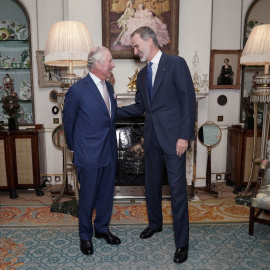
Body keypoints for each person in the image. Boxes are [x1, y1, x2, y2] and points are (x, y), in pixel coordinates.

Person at [117, 27, 196, 264]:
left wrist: (184, 136)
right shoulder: (142, 75)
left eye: (136, 45)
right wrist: (110, 112)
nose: (134, 50)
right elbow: (140, 107)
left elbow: (188, 101)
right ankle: (155, 224)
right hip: (150, 138)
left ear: (150, 41)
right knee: (150, 185)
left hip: (174, 139)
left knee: (177, 192)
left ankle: (182, 244)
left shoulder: (176, 64)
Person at [62, 46, 121, 256]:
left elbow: (109, 120)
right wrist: (73, 148)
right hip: (87, 154)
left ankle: (102, 229)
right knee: (87, 198)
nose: (113, 65)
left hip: (109, 152)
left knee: (106, 196)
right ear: (97, 64)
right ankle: (85, 236)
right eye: (110, 61)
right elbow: (68, 123)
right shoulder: (77, 90)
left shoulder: (110, 88)